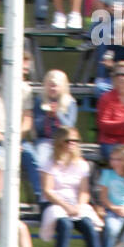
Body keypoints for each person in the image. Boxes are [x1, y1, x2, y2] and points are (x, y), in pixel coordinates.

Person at [39, 127, 105, 247]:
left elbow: (84, 191)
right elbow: (48, 191)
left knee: (88, 225)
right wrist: (66, 206)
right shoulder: (49, 163)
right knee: (65, 224)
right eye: (68, 141)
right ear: (60, 142)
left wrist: (79, 206)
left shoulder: (81, 164)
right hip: (54, 202)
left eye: (75, 141)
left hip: (75, 204)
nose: (72, 144)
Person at [22, 67, 76, 199]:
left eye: (56, 86)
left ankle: (65, 196)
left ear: (62, 86)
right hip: (45, 140)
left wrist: (57, 114)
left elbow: (69, 126)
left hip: (64, 141)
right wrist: (47, 116)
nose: (52, 88)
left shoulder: (70, 102)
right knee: (41, 161)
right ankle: (43, 197)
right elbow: (37, 128)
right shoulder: (39, 102)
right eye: (50, 85)